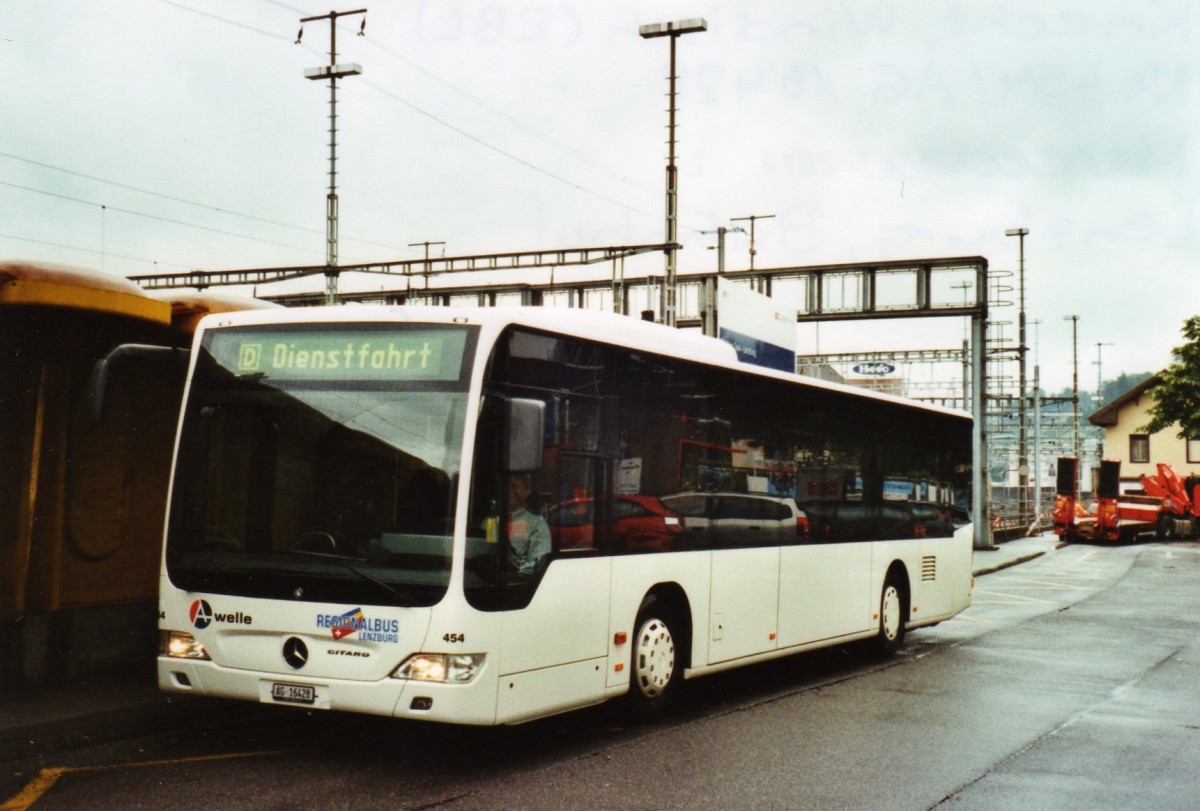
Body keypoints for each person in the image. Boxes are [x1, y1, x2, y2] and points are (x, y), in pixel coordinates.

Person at [506, 474, 551, 575]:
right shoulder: (490, 520)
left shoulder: (537, 524)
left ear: (527, 492)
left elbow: (538, 563)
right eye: (506, 486)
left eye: (514, 487)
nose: (508, 491)